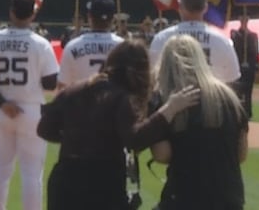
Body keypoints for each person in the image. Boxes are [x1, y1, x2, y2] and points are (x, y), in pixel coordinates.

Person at [38, 40, 199, 210]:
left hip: (65, 175)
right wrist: (168, 110)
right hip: (103, 180)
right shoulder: (122, 98)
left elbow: (45, 129)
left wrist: (78, 137)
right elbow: (135, 139)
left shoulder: (73, 90)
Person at [0, 0, 60, 210]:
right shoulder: (41, 44)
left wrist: (2, 102)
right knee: (32, 173)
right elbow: (51, 83)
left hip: (2, 109)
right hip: (31, 110)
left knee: (0, 171)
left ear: (11, 12)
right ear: (33, 14)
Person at [144, 35, 249, 210]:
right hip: (229, 196)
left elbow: (162, 154)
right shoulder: (229, 97)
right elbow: (241, 154)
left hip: (184, 195)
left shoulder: (164, 100)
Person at [149, 0, 241, 83]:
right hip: (211, 96)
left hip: (172, 96)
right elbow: (232, 77)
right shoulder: (222, 41)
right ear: (205, 7)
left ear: (179, 6)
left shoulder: (162, 38)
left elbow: (153, 75)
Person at [57, 0, 123, 90]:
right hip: (113, 103)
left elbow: (62, 87)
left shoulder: (72, 46)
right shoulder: (124, 47)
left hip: (81, 103)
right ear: (113, 19)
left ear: (89, 17)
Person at [229, 13, 259, 118]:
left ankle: (248, 111)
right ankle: (238, 112)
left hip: (249, 66)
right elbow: (235, 40)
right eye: (242, 19)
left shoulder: (253, 35)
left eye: (246, 19)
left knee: (248, 91)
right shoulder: (236, 33)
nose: (244, 21)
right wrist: (243, 32)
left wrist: (256, 64)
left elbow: (256, 51)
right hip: (238, 66)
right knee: (238, 90)